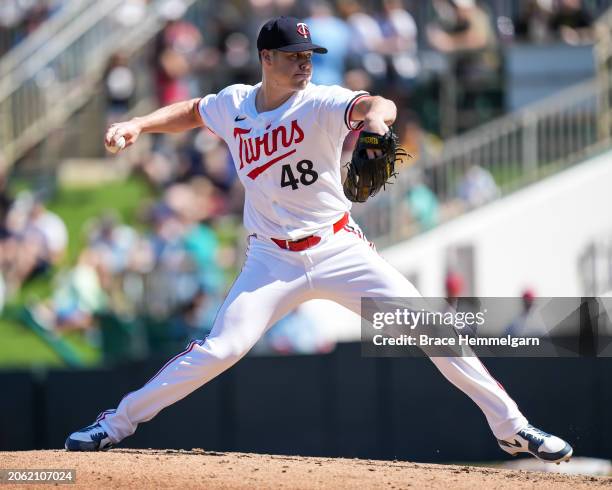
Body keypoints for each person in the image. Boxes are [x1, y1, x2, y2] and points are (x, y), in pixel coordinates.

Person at [65, 16, 573, 464]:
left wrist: (375, 119)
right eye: (294, 56)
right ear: (266, 58)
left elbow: (378, 104)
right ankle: (114, 424)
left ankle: (512, 428)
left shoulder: (321, 102)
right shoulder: (235, 104)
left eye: (309, 56)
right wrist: (137, 124)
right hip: (270, 259)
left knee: (430, 327)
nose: (305, 64)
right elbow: (195, 111)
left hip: (338, 249)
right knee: (220, 349)